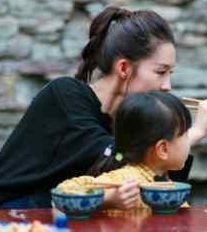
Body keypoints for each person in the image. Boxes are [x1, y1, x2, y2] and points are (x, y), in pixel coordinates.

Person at [0, 6, 207, 210]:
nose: (168, 86)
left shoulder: (129, 119)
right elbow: (113, 162)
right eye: (161, 72)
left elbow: (155, 186)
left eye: (170, 73)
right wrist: (193, 132)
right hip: (1, 217)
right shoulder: (65, 96)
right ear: (124, 68)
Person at [58, 90, 193, 210]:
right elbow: (63, 192)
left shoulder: (163, 183)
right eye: (186, 134)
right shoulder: (126, 179)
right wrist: (107, 200)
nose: (189, 142)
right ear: (163, 149)